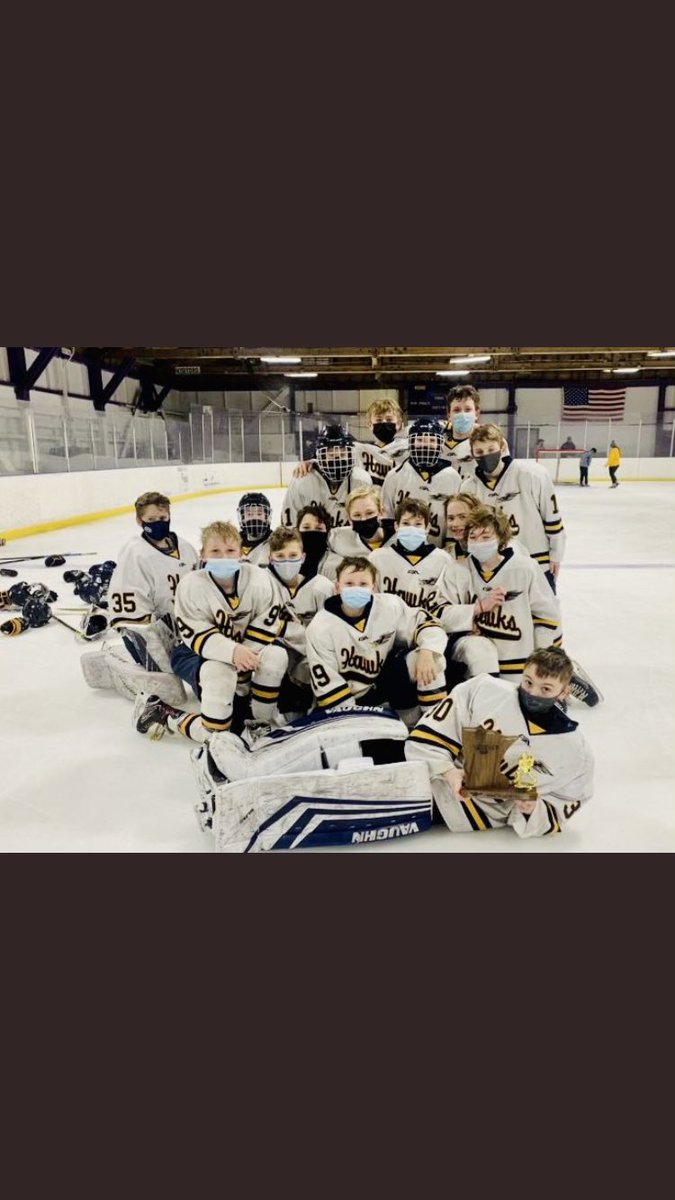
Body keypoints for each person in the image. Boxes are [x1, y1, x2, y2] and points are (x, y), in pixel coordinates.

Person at [405, 647, 594, 839]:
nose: (532, 693)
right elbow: (432, 732)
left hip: (468, 809)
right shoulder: (484, 690)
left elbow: (565, 804)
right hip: (437, 773)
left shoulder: (576, 754)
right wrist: (448, 771)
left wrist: (532, 809)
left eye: (545, 689)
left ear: (564, 692)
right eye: (528, 682)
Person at [133, 521, 286, 741]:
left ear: (241, 553)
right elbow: (197, 636)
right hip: (194, 653)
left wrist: (243, 658)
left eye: (230, 551)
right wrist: (234, 654)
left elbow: (267, 624)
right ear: (202, 554)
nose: (223, 557)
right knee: (219, 675)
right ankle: (166, 715)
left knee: (275, 657)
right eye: (215, 551)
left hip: (247, 650)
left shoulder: (259, 579)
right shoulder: (191, 585)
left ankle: (260, 723)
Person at [80, 491, 198, 705]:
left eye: (162, 519)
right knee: (171, 693)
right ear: (139, 520)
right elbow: (131, 618)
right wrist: (156, 646)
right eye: (151, 520)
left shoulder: (186, 548)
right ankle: (114, 666)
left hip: (186, 626)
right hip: (150, 630)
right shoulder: (135, 554)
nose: (158, 523)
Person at [305, 555, 448, 723]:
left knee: (434, 658)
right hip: (347, 698)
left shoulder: (389, 605)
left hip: (383, 684)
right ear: (337, 587)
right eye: (349, 584)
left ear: (373, 586)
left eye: (363, 584)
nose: (356, 588)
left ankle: (434, 725)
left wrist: (426, 651)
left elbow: (428, 623)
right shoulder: (320, 626)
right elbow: (329, 688)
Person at [461, 423, 565, 593]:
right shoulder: (469, 488)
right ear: (472, 454)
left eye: (491, 449)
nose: (486, 455)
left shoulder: (533, 475)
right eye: (479, 452)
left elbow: (552, 519)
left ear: (502, 447)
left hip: (537, 563)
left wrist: (556, 554)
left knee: (542, 616)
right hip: (493, 569)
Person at [462, 504, 563, 679]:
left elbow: (547, 617)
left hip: (519, 666)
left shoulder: (525, 568)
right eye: (473, 537)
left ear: (501, 537)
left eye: (486, 537)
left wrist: (543, 661)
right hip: (479, 665)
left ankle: (567, 676)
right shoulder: (461, 569)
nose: (479, 542)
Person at [262, 525, 334, 715]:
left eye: (293, 555)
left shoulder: (322, 587)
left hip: (314, 654)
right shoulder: (261, 584)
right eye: (280, 556)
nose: (287, 561)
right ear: (270, 558)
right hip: (278, 655)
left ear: (303, 556)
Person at [291, 399, 409, 491]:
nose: (383, 424)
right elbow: (331, 455)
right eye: (378, 420)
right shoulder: (356, 450)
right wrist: (310, 462)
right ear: (369, 424)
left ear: (399, 423)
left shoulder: (407, 450)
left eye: (389, 420)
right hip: (365, 510)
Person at [381, 418, 461, 546]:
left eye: (432, 440)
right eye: (420, 440)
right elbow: (387, 520)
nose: (426, 445)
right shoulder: (394, 476)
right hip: (400, 550)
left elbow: (456, 520)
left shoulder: (453, 477)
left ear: (440, 444)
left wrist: (450, 548)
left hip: (439, 550)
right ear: (411, 442)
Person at [281, 425, 371, 529]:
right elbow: (289, 525)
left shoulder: (361, 480)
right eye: (331, 455)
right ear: (321, 456)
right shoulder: (302, 481)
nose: (338, 460)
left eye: (343, 454)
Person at [320, 486, 388, 580]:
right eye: (357, 515)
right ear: (349, 519)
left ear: (381, 512)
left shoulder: (397, 540)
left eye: (369, 513)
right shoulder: (337, 536)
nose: (363, 519)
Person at [440, 385, 482, 478]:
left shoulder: (487, 443)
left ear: (476, 414)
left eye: (468, 409)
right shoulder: (437, 443)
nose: (463, 414)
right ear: (449, 415)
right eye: (457, 410)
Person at [296, 504, 333, 579]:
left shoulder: (335, 565)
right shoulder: (288, 561)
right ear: (297, 531)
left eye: (319, 528)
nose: (312, 532)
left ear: (327, 532)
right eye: (306, 527)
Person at [237, 492, 273, 564]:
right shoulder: (236, 540)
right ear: (243, 518)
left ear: (267, 517)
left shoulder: (274, 540)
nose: (254, 518)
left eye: (259, 514)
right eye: (249, 514)